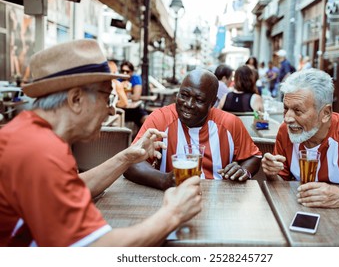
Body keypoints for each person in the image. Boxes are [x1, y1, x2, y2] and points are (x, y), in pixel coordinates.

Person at [0, 39, 201, 247]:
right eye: (108, 98)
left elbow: (75, 188)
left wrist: (128, 156)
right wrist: (173, 214)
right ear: (76, 99)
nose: (112, 110)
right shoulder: (40, 150)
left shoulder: (32, 135)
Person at [261, 68, 339, 210]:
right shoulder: (286, 132)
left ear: (326, 113)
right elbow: (281, 184)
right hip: (300, 217)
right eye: (286, 108)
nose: (287, 118)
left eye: (298, 110)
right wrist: (272, 174)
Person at [124, 69, 262, 190]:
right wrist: (164, 180)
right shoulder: (160, 119)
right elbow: (131, 163)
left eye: (199, 100)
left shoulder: (229, 123)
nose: (188, 104)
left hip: (220, 198)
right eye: (184, 95)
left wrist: (244, 170)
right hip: (171, 199)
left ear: (212, 103)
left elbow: (254, 157)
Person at [118, 61, 149, 131]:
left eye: (127, 71)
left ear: (131, 72)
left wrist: (122, 94)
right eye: (122, 71)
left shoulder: (135, 78)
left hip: (134, 109)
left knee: (146, 119)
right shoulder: (118, 80)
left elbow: (136, 97)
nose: (124, 73)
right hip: (121, 110)